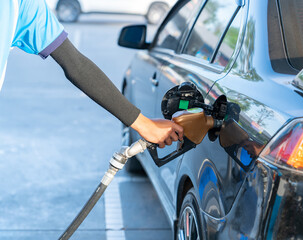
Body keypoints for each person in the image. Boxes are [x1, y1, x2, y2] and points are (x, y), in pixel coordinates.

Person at [0, 0, 183, 148]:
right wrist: (145, 125)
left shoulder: (21, 4)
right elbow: (75, 65)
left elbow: (76, 66)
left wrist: (145, 125)